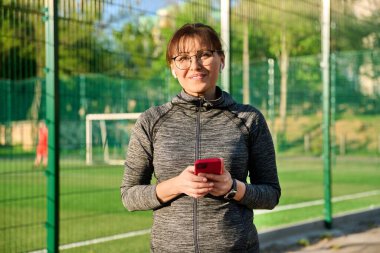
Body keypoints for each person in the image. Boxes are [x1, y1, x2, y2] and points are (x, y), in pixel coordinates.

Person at [121, 23, 281, 252]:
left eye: (205, 54)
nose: (194, 66)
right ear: (173, 68)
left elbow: (271, 194)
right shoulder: (151, 121)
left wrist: (232, 187)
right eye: (183, 58)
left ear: (221, 59)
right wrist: (177, 185)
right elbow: (129, 195)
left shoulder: (249, 119)